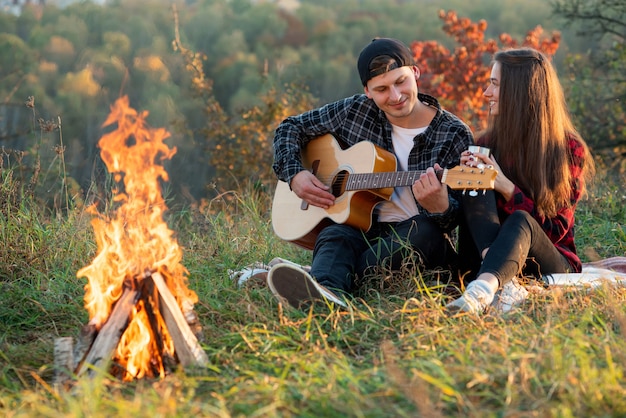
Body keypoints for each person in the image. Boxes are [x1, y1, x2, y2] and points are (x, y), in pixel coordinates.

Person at [268, 37, 474, 309]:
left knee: (424, 233)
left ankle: (322, 278)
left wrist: (441, 207)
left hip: (414, 237)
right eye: (382, 89)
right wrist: (295, 175)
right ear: (367, 91)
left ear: (415, 72)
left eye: (401, 82)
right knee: (334, 234)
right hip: (363, 230)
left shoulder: (453, 133)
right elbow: (290, 127)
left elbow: (460, 217)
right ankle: (327, 293)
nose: (396, 96)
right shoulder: (354, 111)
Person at [446, 48, 596, 314]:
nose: (486, 93)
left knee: (520, 220)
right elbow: (469, 219)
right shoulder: (486, 145)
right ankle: (498, 281)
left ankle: (482, 290)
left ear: (520, 92)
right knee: (476, 182)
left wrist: (506, 187)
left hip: (549, 261)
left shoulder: (568, 150)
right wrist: (453, 184)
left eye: (494, 84)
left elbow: (556, 229)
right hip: (483, 258)